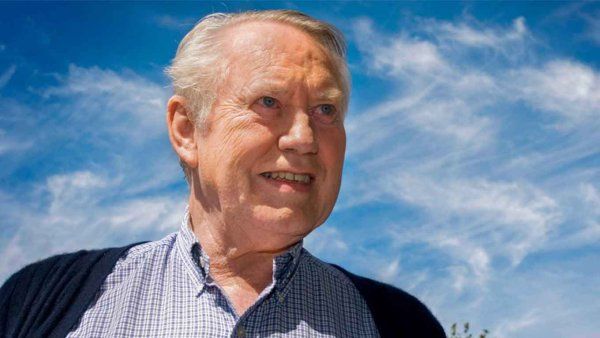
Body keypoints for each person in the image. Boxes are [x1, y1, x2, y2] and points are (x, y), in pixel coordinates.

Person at [0, 10, 445, 338]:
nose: (303, 137)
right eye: (269, 102)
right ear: (187, 129)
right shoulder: (44, 302)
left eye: (325, 109)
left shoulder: (402, 325)